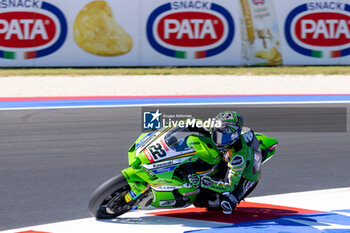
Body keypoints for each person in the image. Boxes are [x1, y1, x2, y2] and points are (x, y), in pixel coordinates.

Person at [188, 111, 262, 214]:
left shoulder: (238, 156)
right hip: (226, 158)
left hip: (246, 176)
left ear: (234, 136)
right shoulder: (219, 127)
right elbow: (196, 122)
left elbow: (229, 185)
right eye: (216, 134)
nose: (218, 140)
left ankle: (234, 198)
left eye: (223, 137)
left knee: (224, 202)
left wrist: (202, 181)